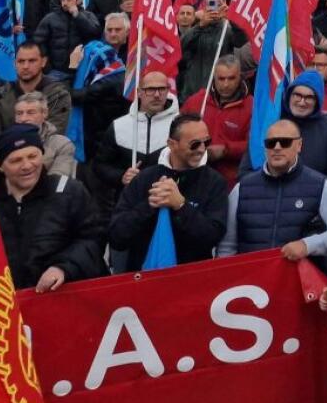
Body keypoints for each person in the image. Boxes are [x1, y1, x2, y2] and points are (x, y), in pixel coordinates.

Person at [0, 124, 106, 290]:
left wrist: (63, 268)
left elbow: (93, 239)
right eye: (16, 160)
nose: (27, 165)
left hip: (55, 300)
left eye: (32, 156)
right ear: (1, 165)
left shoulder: (69, 192)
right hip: (1, 306)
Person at [107, 113, 229, 271]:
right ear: (172, 144)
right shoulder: (144, 178)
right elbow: (116, 236)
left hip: (191, 280)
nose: (202, 149)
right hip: (142, 279)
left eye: (206, 142)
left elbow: (212, 237)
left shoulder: (215, 182)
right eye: (194, 144)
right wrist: (149, 205)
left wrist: (181, 206)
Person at [218, 120, 327, 261]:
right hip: (252, 279)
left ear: (299, 145)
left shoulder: (320, 185)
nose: (277, 148)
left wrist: (307, 245)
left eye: (285, 142)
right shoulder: (242, 188)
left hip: (299, 277)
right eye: (271, 143)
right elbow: (226, 246)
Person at [88, 70, 181, 215]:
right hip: (129, 207)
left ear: (169, 90)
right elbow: (100, 165)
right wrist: (121, 176)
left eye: (162, 89)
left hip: (169, 207)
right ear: (139, 92)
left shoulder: (182, 125)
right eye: (150, 89)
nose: (157, 95)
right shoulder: (119, 126)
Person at [239, 71, 327, 188]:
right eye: (297, 95)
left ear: (318, 101)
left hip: (310, 202)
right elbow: (245, 171)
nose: (302, 102)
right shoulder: (270, 122)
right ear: (289, 95)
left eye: (309, 97)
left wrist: (301, 188)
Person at [180, 55, 252, 188]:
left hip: (231, 183)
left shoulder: (251, 106)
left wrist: (226, 150)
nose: (226, 84)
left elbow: (255, 146)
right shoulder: (196, 101)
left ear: (240, 77)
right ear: (214, 77)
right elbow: (177, 134)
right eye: (221, 78)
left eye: (231, 78)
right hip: (193, 178)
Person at [0, 42, 73, 143]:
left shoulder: (58, 95)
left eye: (32, 61)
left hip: (46, 156)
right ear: (15, 64)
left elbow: (54, 135)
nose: (25, 66)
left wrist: (11, 139)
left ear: (43, 62)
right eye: (21, 61)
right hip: (4, 156)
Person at [0, 92, 75, 178]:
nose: (23, 119)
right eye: (19, 113)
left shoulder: (61, 145)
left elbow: (58, 180)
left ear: (44, 113)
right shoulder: (4, 142)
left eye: (31, 112)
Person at [178, 0, 244, 99]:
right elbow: (181, 46)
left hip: (218, 89)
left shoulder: (227, 29)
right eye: (211, 4)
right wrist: (200, 26)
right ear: (204, 7)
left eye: (218, 5)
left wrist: (232, 18)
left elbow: (241, 41)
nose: (215, 9)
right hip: (193, 90)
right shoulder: (196, 28)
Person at [33, 0, 101, 80]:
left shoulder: (88, 16)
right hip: (56, 71)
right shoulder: (50, 18)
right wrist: (47, 66)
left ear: (79, 1)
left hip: (83, 69)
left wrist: (77, 16)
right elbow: (39, 41)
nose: (65, 3)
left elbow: (95, 33)